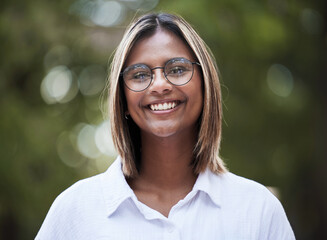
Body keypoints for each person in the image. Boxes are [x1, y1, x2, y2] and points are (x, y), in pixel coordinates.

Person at [36, 13, 295, 239]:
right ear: (123, 98)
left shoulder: (258, 210)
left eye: (178, 69)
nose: (159, 85)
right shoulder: (75, 211)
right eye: (139, 75)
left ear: (205, 85)